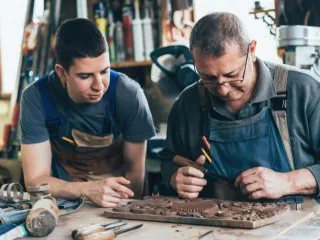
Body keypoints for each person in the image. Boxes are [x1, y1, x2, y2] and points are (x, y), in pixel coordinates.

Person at [160, 12, 320, 211]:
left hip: (295, 230)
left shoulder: (303, 90)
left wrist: (287, 182)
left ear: (252, 50)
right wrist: (175, 178)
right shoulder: (187, 104)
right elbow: (168, 161)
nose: (223, 89)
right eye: (208, 77)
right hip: (214, 228)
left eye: (232, 75)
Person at [20, 18, 156, 207]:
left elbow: (135, 172)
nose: (99, 86)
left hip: (119, 200)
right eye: (85, 76)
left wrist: (124, 212)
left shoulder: (128, 94)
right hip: (65, 203)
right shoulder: (36, 98)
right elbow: (35, 181)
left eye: (104, 71)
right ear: (61, 72)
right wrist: (86, 189)